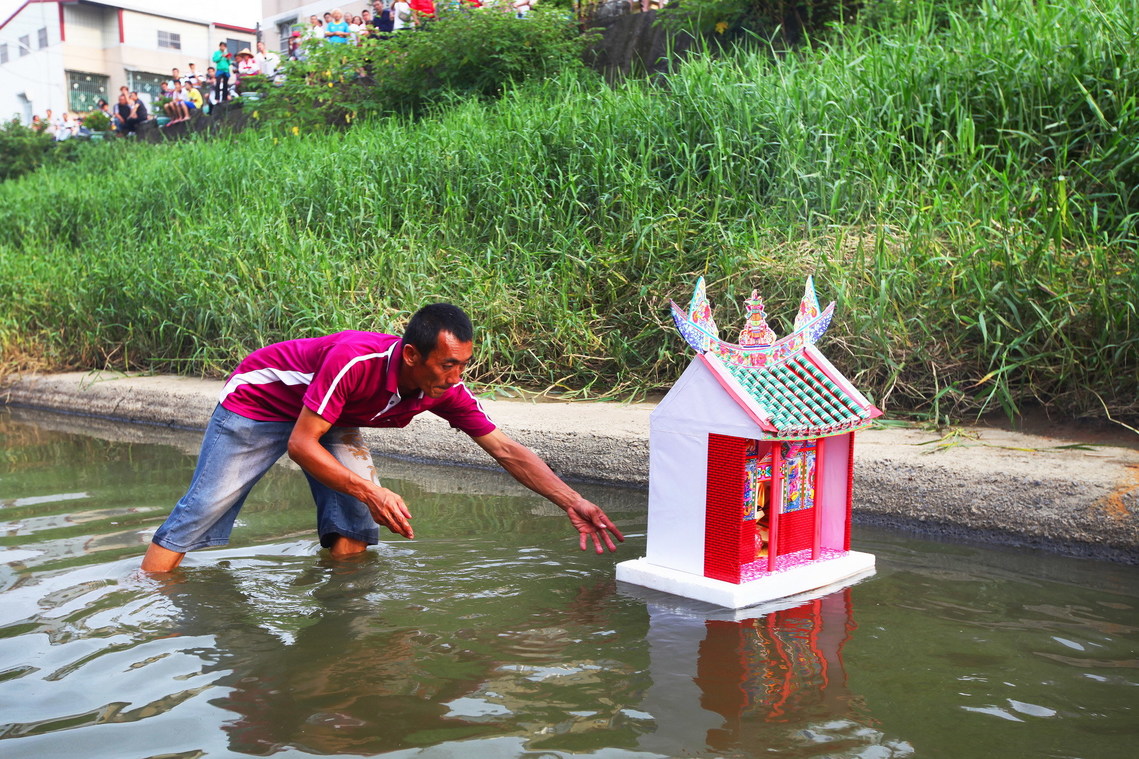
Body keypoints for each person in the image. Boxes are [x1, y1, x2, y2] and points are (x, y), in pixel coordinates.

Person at [140, 304, 624, 572]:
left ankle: (341, 604)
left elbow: (505, 450)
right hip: (259, 403)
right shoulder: (354, 362)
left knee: (354, 520)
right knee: (207, 504)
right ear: (411, 355)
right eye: (447, 364)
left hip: (328, 416)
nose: (456, 377)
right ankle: (150, 591)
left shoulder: (443, 389)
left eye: (462, 365)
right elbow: (300, 445)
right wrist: (372, 490)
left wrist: (572, 500)